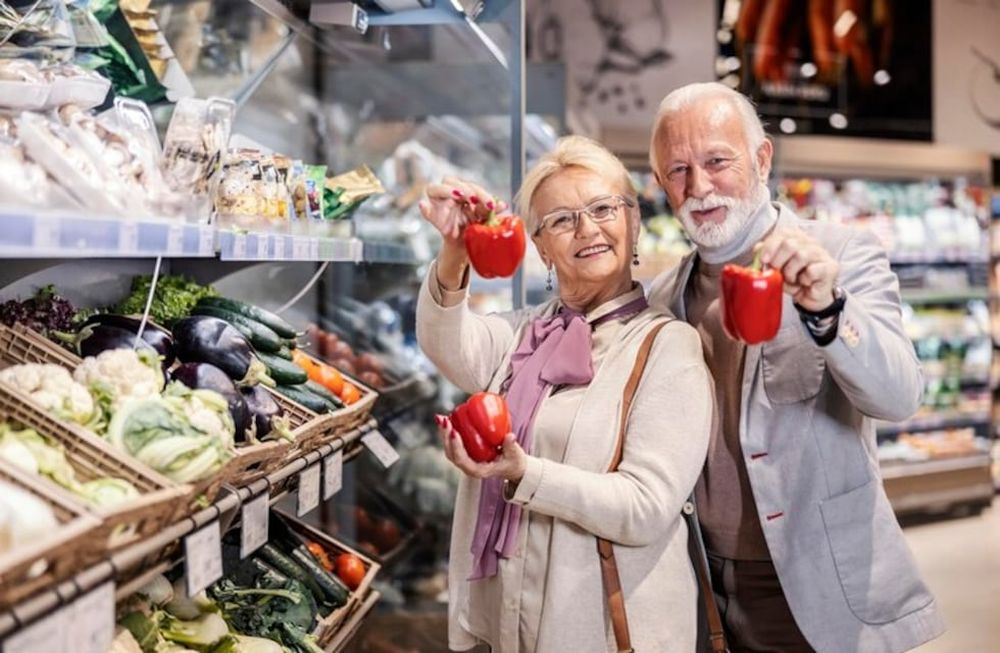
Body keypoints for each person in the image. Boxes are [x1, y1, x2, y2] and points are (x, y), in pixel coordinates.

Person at [647, 81, 945, 653]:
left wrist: (829, 310)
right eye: (678, 170)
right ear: (661, 183)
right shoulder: (664, 296)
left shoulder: (840, 255)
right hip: (698, 578)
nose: (699, 187)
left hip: (814, 578)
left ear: (761, 159)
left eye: (717, 162)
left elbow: (900, 396)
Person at [416, 135, 713, 652]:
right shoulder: (525, 333)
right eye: (561, 220)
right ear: (541, 247)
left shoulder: (668, 347)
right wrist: (456, 250)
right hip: (512, 626)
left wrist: (524, 474)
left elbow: (645, 506)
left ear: (633, 221)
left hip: (602, 633)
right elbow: (447, 345)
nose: (587, 229)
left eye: (603, 208)